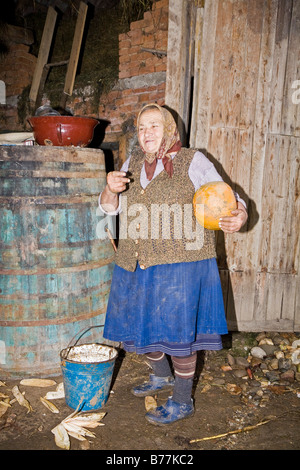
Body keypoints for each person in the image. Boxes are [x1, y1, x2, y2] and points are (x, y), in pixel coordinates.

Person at [99, 103, 248, 425]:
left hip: (181, 263)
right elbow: (110, 209)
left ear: (169, 130)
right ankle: (161, 376)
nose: (146, 133)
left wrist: (240, 214)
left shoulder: (194, 160)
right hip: (136, 259)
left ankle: (182, 399)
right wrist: (109, 190)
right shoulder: (131, 162)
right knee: (140, 327)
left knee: (178, 336)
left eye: (154, 125)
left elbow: (229, 197)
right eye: (141, 127)